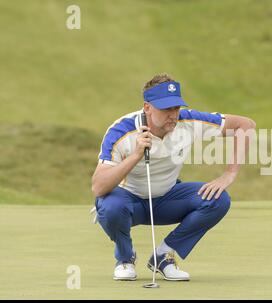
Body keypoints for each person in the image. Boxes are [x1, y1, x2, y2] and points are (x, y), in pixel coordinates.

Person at [91, 73, 256, 281]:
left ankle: (164, 255)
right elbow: (98, 187)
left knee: (218, 199)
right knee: (110, 205)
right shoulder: (121, 130)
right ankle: (125, 258)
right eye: (166, 108)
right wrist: (136, 155)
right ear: (147, 107)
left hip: (166, 199)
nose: (173, 115)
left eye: (176, 108)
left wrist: (230, 173)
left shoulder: (188, 121)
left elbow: (246, 125)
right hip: (128, 202)